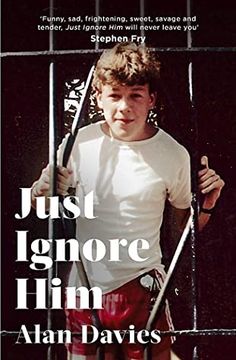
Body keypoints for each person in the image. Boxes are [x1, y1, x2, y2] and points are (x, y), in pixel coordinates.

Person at [31, 42, 225, 360]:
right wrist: (42, 190)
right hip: (85, 287)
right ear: (98, 98)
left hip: (143, 289)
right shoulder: (78, 144)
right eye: (114, 94)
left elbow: (181, 236)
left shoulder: (173, 154)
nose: (124, 107)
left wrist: (206, 206)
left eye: (135, 94)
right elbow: (43, 207)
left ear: (151, 99)